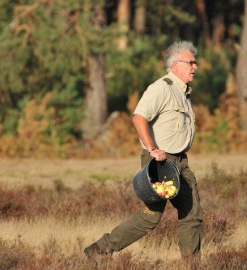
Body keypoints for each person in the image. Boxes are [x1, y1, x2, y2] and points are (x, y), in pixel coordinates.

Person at [84, 41, 203, 262]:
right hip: (159, 162)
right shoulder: (161, 88)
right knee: (150, 218)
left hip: (180, 162)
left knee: (192, 213)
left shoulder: (183, 92)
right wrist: (153, 149)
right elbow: (139, 117)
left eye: (195, 62)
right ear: (176, 64)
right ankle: (99, 251)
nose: (195, 66)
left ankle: (193, 264)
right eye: (191, 62)